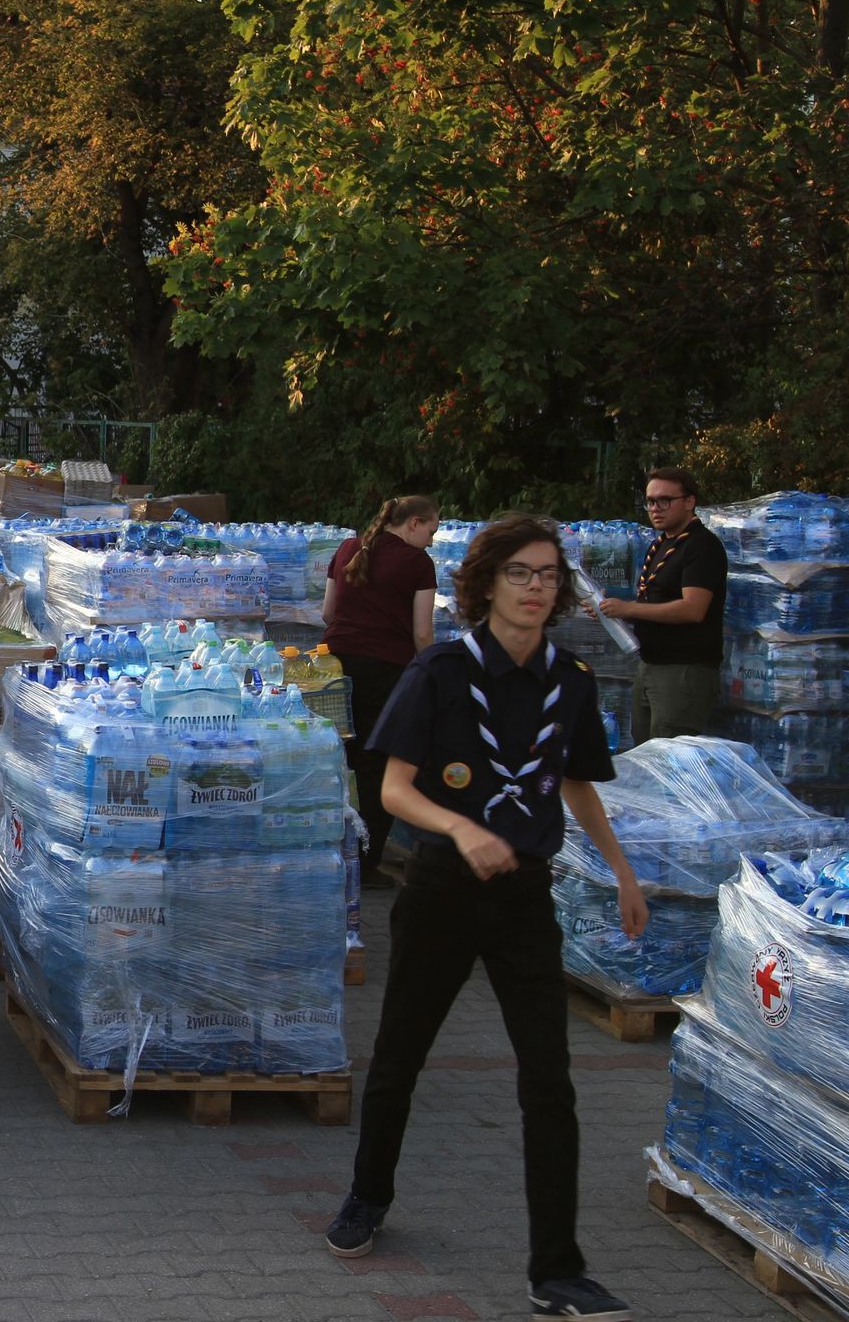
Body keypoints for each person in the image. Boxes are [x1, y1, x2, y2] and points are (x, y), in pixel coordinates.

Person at [324, 514, 646, 1322]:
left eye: (548, 576)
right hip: (441, 891)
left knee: (550, 1081)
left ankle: (558, 1270)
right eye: (520, 574)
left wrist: (622, 870)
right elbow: (394, 790)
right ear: (485, 583)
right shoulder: (438, 671)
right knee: (400, 1055)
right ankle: (367, 1194)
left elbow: (577, 782)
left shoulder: (570, 680)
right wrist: (463, 827)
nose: (537, 588)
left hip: (524, 897)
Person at [322, 495, 440, 886]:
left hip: (334, 668)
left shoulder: (347, 549)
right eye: (431, 531)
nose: (431, 541)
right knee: (378, 766)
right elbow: (423, 632)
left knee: (341, 759)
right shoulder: (417, 564)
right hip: (387, 671)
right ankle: (365, 866)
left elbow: (327, 613)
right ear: (413, 523)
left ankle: (328, 849)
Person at [597, 466, 727, 743]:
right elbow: (654, 606)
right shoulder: (662, 546)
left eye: (665, 500)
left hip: (683, 670)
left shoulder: (701, 546)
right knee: (644, 753)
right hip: (650, 665)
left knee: (669, 757)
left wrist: (628, 609)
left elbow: (693, 609)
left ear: (690, 502)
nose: (656, 508)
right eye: (651, 502)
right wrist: (610, 609)